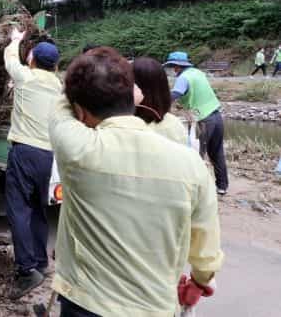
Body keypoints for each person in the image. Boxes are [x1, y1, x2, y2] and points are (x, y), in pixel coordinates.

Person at [49, 47, 224, 317]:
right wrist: (200, 279)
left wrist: (79, 88)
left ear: (80, 113)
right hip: (156, 306)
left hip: (86, 304)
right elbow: (205, 249)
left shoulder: (77, 151)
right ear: (133, 97)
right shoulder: (192, 166)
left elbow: (59, 108)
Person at [2, 29, 63, 299]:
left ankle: (26, 270)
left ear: (32, 60)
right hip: (48, 156)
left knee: (17, 210)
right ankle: (40, 261)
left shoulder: (25, 77)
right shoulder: (60, 87)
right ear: (56, 65)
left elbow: (9, 59)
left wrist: (16, 38)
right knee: (39, 209)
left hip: (24, 151)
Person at [165, 51, 229, 196]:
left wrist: (161, 103)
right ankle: (222, 186)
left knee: (195, 156)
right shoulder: (197, 73)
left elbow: (175, 94)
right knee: (217, 152)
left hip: (202, 121)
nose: (172, 69)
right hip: (216, 115)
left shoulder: (183, 77)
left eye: (172, 66)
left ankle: (196, 190)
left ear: (176, 66)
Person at [133, 57, 188, 145]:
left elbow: (176, 93)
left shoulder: (130, 129)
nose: (174, 69)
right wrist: (162, 103)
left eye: (173, 66)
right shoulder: (175, 125)